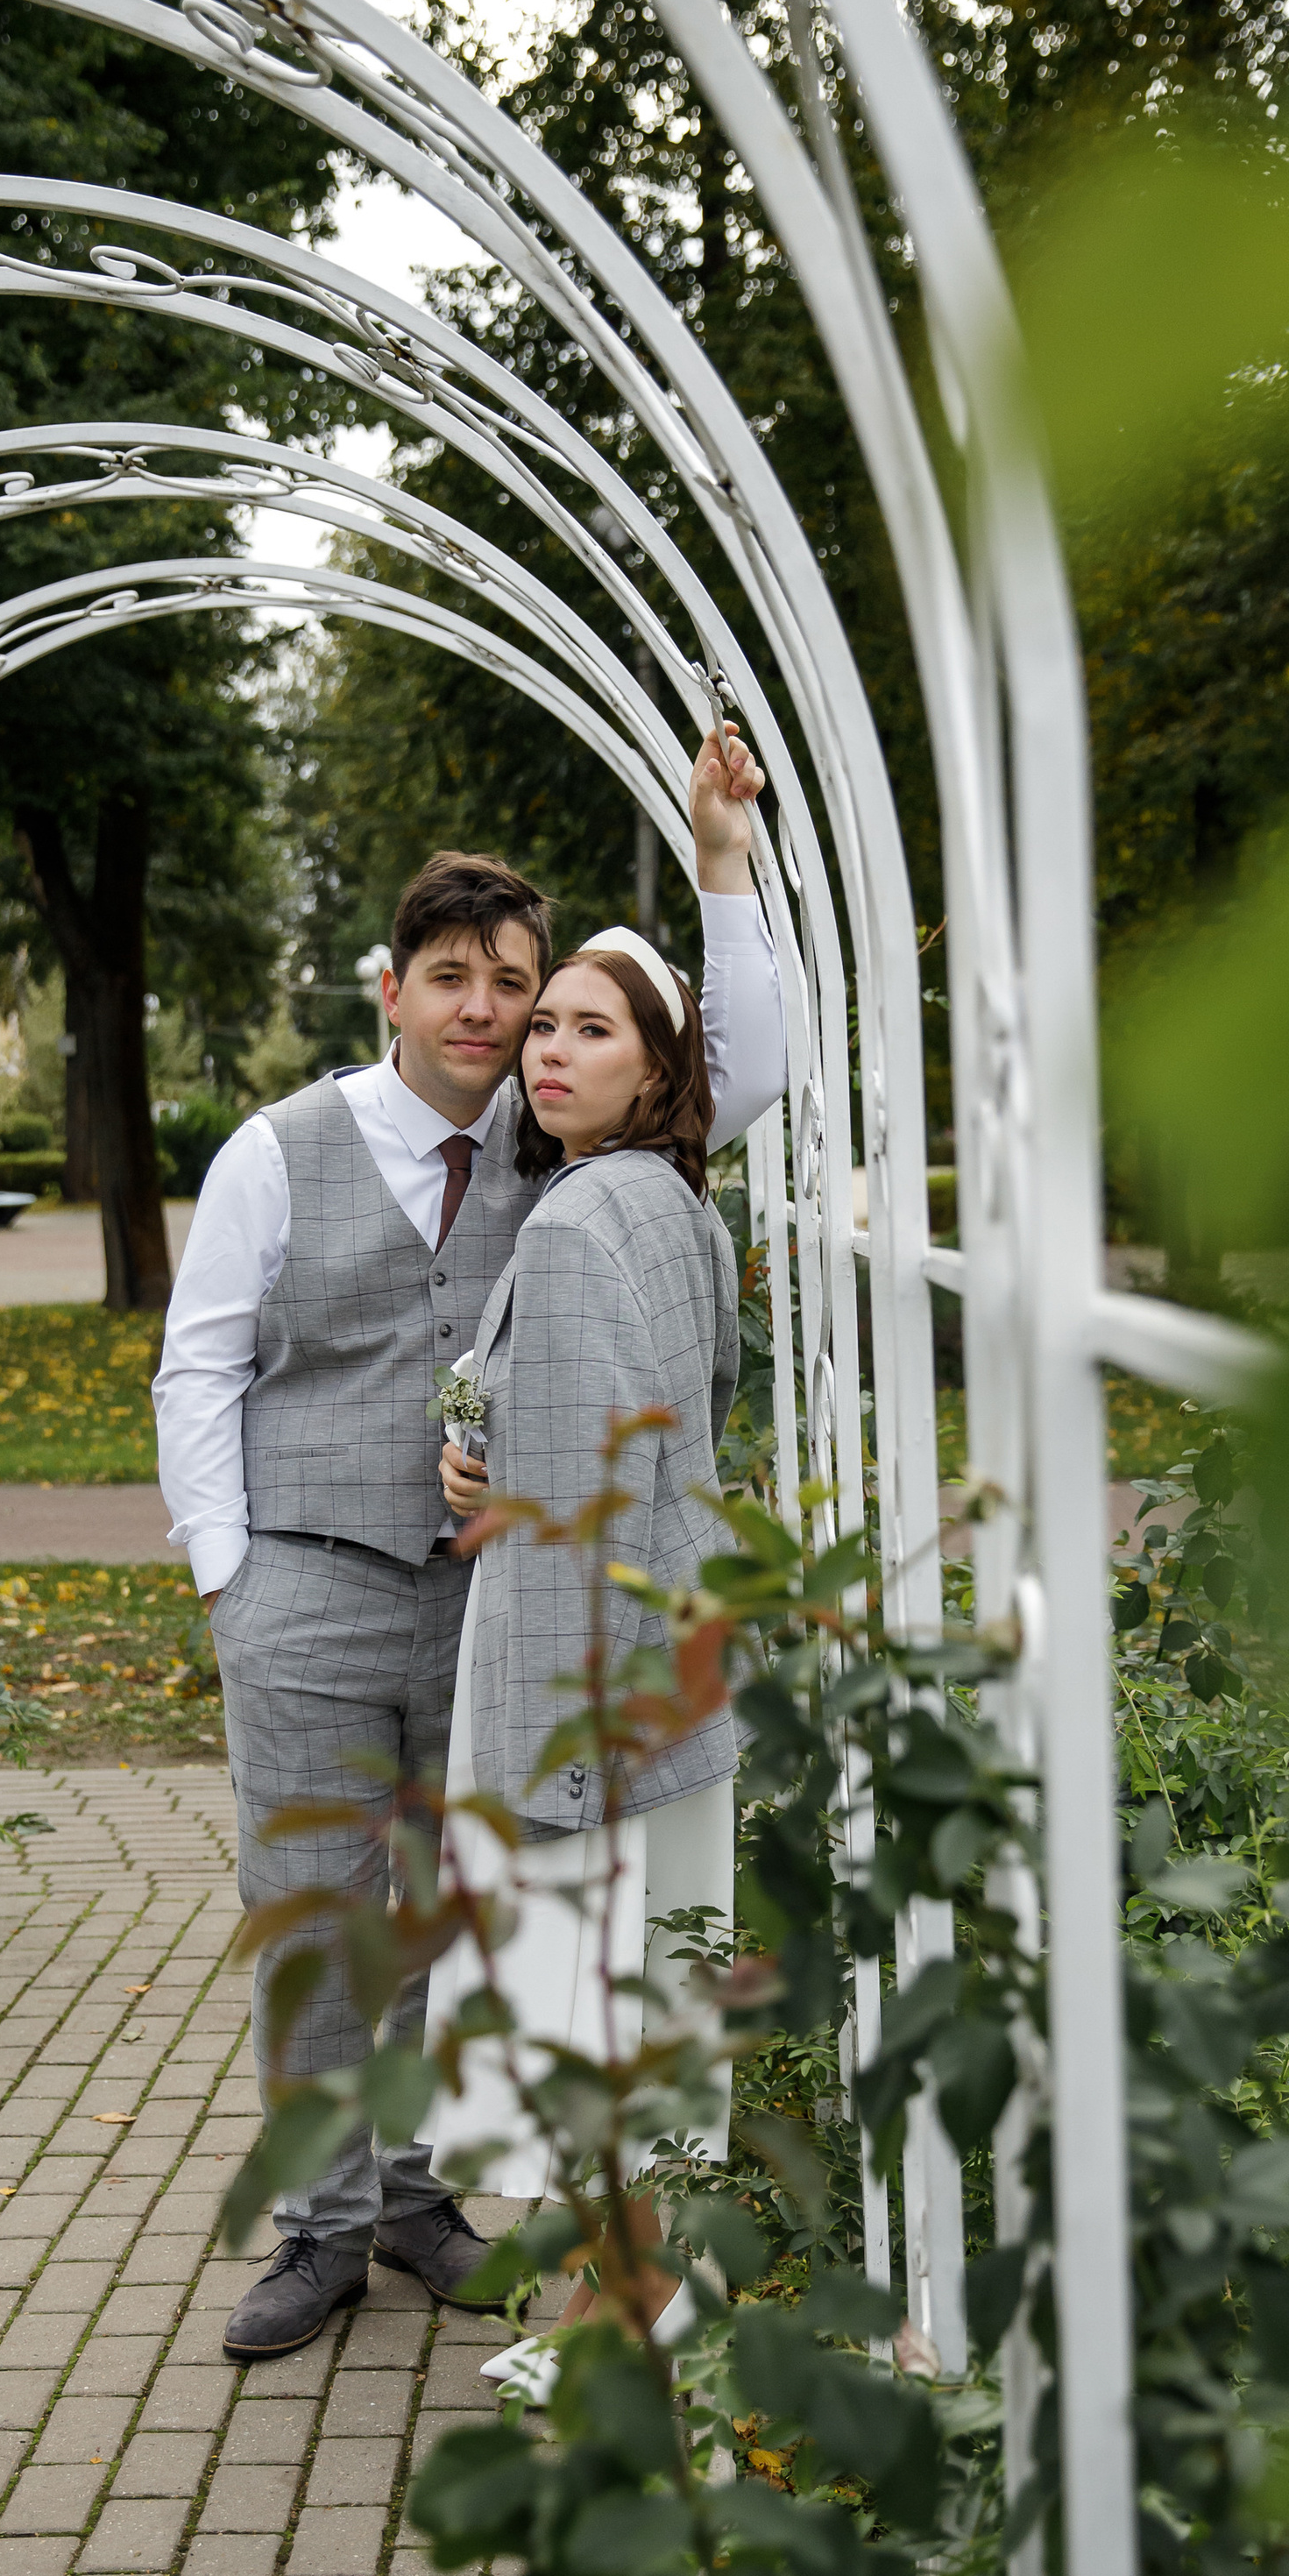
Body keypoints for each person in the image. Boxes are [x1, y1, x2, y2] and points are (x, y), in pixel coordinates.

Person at [152, 732, 783, 2359]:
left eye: (516, 981)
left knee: (454, 1901)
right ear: (394, 992)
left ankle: (424, 2197)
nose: (489, 1011)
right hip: (300, 1586)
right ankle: (320, 2229)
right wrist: (229, 1577)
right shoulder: (274, 1151)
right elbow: (200, 1363)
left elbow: (741, 1063)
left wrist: (721, 864)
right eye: (455, 978)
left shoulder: (567, 1132)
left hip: (485, 1603)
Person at [420, 930, 741, 2379]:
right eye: (543, 1024)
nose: (548, 1049)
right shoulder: (671, 1207)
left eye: (591, 1030)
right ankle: (646, 2287)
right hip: (669, 1634)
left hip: (572, 1670)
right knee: (639, 1993)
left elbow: (566, 1518)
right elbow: (696, 1415)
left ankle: (624, 2312)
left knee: (581, 2000)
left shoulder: (564, 1229)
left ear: (658, 1066)